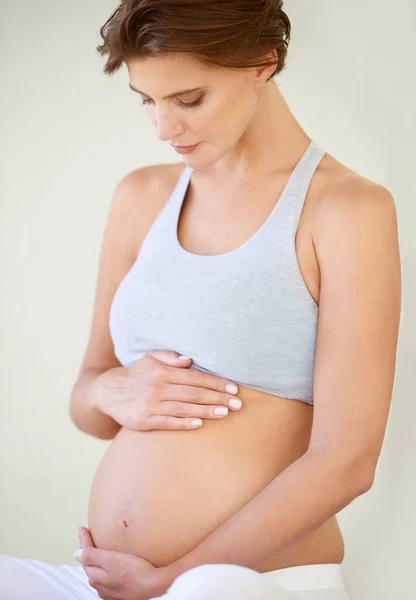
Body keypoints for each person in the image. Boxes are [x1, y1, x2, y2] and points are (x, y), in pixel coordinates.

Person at [0, 1, 402, 599]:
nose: (164, 129)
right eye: (146, 100)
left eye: (188, 100)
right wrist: (111, 389)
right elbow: (88, 404)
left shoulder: (347, 212)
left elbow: (346, 463)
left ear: (263, 62)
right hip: (116, 582)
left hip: (247, 582)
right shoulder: (141, 196)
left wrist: (171, 579)